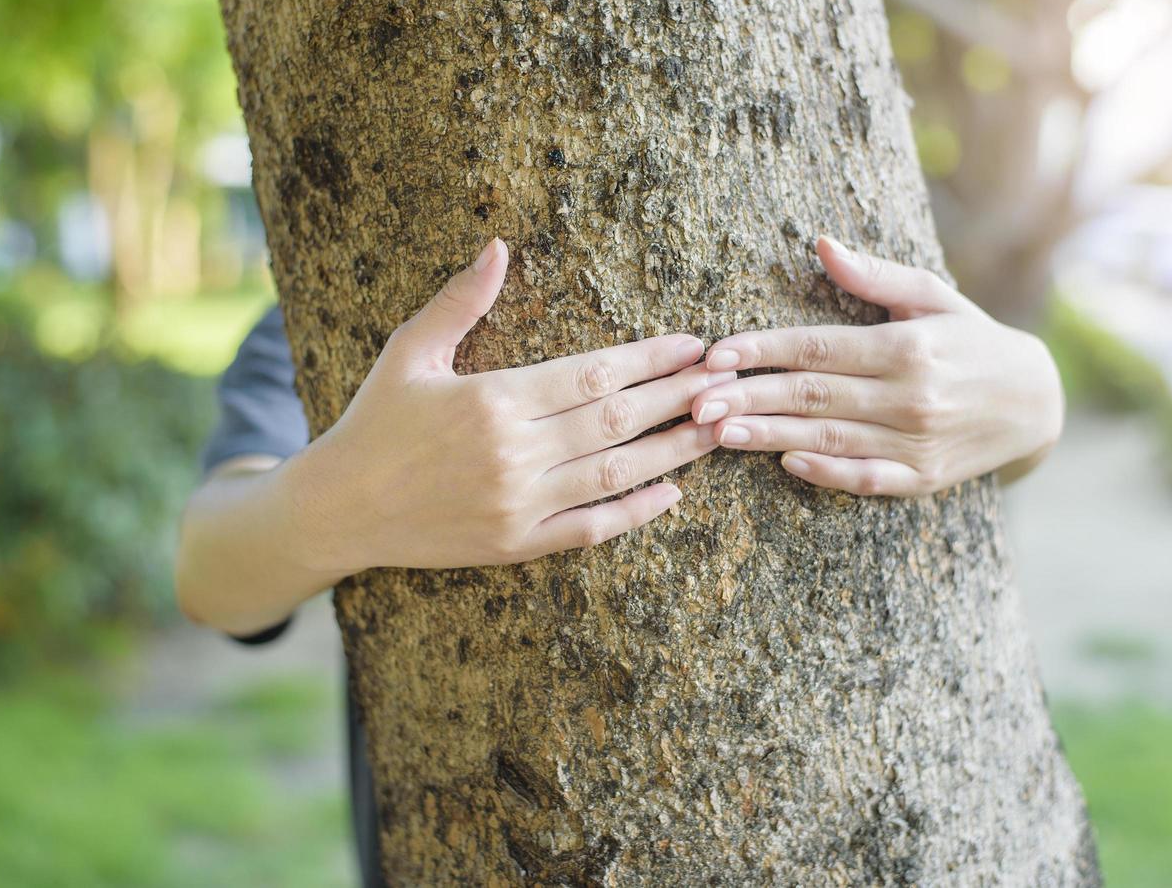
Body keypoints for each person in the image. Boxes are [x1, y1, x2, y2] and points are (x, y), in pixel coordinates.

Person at [175, 233, 1064, 886]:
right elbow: (211, 577)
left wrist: (1034, 395)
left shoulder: (867, 242)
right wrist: (351, 501)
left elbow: (971, 427)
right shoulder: (331, 300)